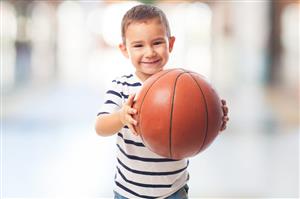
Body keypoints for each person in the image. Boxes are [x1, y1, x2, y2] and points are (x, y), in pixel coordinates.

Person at [95, 4, 229, 199]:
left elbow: (198, 125)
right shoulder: (121, 86)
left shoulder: (185, 86)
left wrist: (214, 119)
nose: (149, 52)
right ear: (124, 49)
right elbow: (100, 126)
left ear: (171, 43)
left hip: (173, 191)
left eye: (157, 43)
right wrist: (121, 116)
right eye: (139, 45)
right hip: (129, 192)